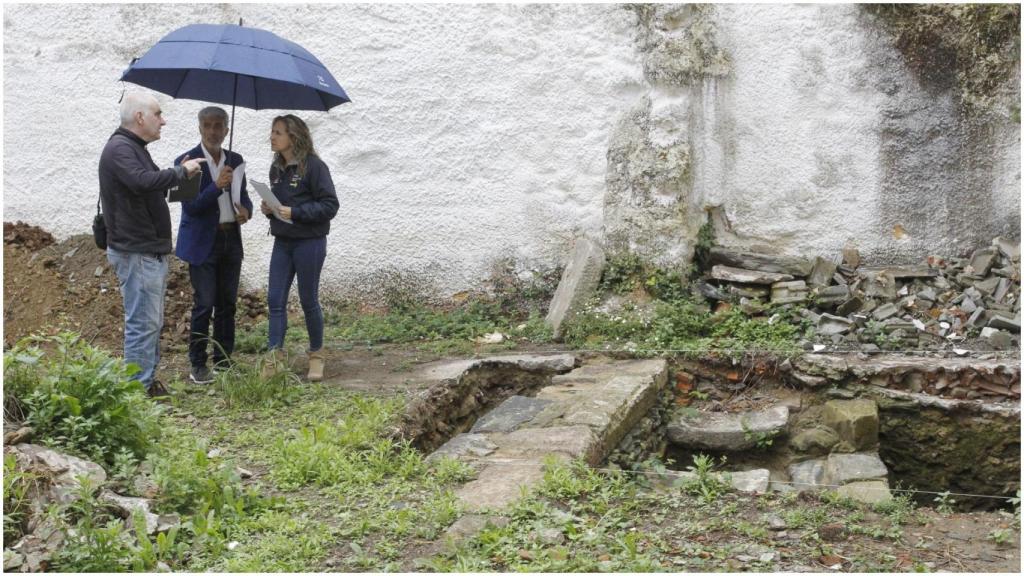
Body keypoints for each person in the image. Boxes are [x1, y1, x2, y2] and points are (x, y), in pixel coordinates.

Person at [98, 92, 204, 397]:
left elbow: (148, 183)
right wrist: (180, 172)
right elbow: (142, 181)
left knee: (150, 322)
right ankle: (136, 393)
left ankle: (145, 383)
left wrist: (177, 177)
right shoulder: (121, 148)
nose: (164, 120)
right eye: (158, 114)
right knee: (142, 324)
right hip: (137, 251)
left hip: (145, 250)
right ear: (140, 117)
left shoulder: (133, 148)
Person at [173, 107, 254, 384]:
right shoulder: (186, 161)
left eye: (218, 126)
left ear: (226, 130)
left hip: (231, 238)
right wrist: (217, 185)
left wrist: (247, 210)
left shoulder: (235, 159)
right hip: (201, 242)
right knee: (205, 303)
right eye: (207, 125)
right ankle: (197, 363)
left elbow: (243, 195)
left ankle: (223, 359)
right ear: (199, 128)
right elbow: (191, 207)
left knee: (227, 303)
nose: (213, 131)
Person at [260, 114, 339, 381]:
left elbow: (330, 206)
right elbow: (280, 207)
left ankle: (316, 355)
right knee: (275, 300)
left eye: (278, 132)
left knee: (308, 299)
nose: (272, 137)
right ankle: (274, 357)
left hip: (309, 242)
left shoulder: (315, 167)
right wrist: (269, 209)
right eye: (272, 132)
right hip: (283, 242)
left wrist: (296, 212)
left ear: (294, 137)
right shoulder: (277, 169)